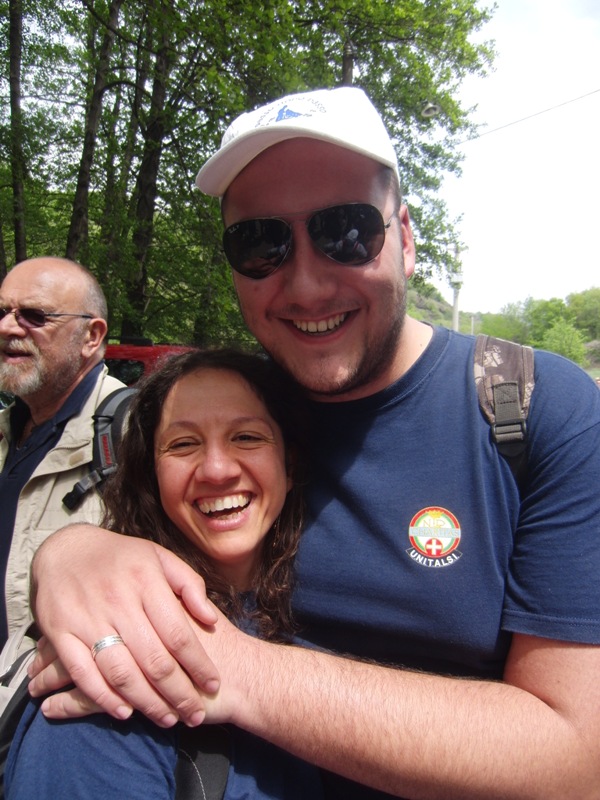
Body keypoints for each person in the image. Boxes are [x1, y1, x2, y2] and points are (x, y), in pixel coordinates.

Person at [26, 87, 600, 798]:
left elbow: (578, 759)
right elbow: (134, 537)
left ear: (406, 239)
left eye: (346, 231)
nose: (304, 284)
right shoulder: (240, 415)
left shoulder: (534, 411)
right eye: (260, 243)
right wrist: (68, 553)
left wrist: (238, 671)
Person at [6, 347, 322, 799]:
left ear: (289, 466)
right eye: (183, 444)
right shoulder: (113, 670)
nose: (216, 470)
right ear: (151, 476)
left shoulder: (333, 613)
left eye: (247, 437)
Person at [0, 256, 125, 647]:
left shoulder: (138, 434)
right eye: (2, 312)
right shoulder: (7, 429)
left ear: (91, 336)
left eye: (34, 316)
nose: (7, 327)